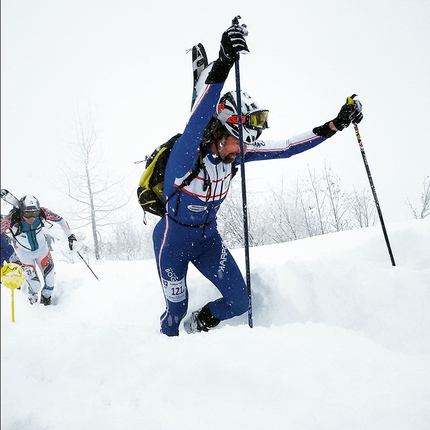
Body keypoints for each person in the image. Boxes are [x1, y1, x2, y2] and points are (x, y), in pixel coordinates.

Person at [152, 22, 363, 336]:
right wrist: (224, 61)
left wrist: (335, 124)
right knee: (175, 312)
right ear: (220, 134)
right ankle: (161, 355)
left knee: (239, 302)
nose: (243, 149)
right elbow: (200, 114)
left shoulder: (237, 154)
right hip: (172, 243)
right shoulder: (187, 154)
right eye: (238, 141)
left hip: (208, 241)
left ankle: (198, 326)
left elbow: (288, 147)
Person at [0, 195, 77, 305]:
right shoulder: (12, 219)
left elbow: (61, 221)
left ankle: (46, 302)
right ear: (21, 212)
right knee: (35, 286)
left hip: (42, 252)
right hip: (25, 256)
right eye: (27, 214)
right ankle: (32, 304)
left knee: (50, 283)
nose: (31, 217)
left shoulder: (43, 213)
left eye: (34, 213)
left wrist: (70, 236)